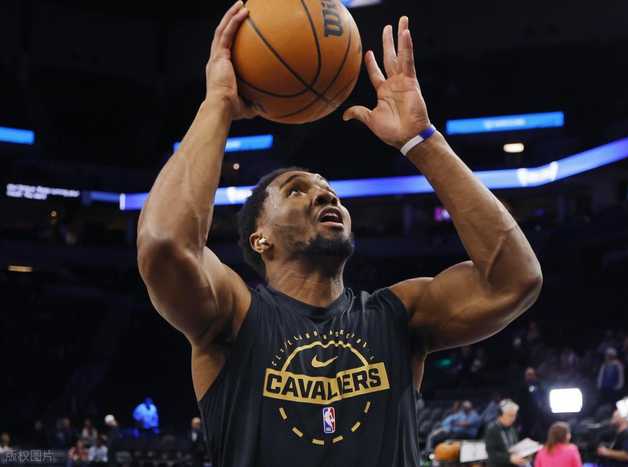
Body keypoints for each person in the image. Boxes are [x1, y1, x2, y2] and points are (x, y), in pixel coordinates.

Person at [136, 3, 542, 467]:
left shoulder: (398, 316)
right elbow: (164, 243)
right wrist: (218, 104)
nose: (324, 195)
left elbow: (516, 281)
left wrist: (422, 142)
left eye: (329, 190)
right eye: (297, 190)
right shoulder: (233, 316)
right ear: (259, 239)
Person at [485, 400, 527, 467]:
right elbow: (492, 455)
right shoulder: (492, 430)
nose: (513, 419)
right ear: (500, 415)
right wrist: (509, 458)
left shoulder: (513, 430)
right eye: (510, 415)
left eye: (515, 416)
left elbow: (514, 448)